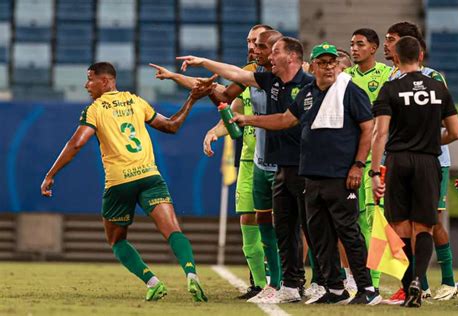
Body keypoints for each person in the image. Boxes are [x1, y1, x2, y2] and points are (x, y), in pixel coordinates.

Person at [40, 62, 211, 302]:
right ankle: (191, 274)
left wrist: (50, 174)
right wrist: (192, 99)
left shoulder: (95, 109)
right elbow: (171, 126)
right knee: (173, 230)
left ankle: (152, 282)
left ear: (106, 81)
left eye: (90, 79)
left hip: (119, 183)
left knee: (117, 240)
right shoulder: (136, 101)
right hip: (150, 177)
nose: (86, 84)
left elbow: (76, 143)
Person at [229, 41, 379, 305]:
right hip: (311, 174)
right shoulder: (308, 92)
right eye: (322, 62)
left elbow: (368, 128)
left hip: (340, 175)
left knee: (348, 232)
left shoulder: (350, 91)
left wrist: (358, 165)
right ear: (313, 66)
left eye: (332, 62)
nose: (328, 67)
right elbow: (286, 119)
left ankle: (367, 289)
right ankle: (335, 289)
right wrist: (248, 119)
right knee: (319, 234)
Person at [178, 37, 323, 304]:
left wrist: (247, 119)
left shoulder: (310, 85)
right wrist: (203, 62)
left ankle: (324, 282)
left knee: (311, 226)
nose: (266, 56)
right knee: (283, 227)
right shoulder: (272, 81)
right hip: (277, 164)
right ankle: (288, 284)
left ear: (290, 56)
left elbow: (284, 120)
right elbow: (234, 75)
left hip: (305, 165)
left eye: (273, 51)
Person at [371, 36, 458, 307]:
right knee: (425, 225)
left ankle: (408, 282)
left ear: (396, 59)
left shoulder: (389, 88)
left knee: (399, 226)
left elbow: (380, 133)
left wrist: (376, 172)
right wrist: (433, 141)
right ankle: (418, 281)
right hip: (427, 161)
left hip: (398, 160)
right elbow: (455, 132)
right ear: (421, 56)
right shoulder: (438, 88)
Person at [345, 28, 391, 293]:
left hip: (377, 159)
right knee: (357, 220)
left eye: (360, 44)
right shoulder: (345, 77)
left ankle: (373, 283)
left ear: (373, 47)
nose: (354, 49)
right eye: (352, 44)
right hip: (350, 159)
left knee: (375, 218)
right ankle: (360, 279)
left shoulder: (386, 75)